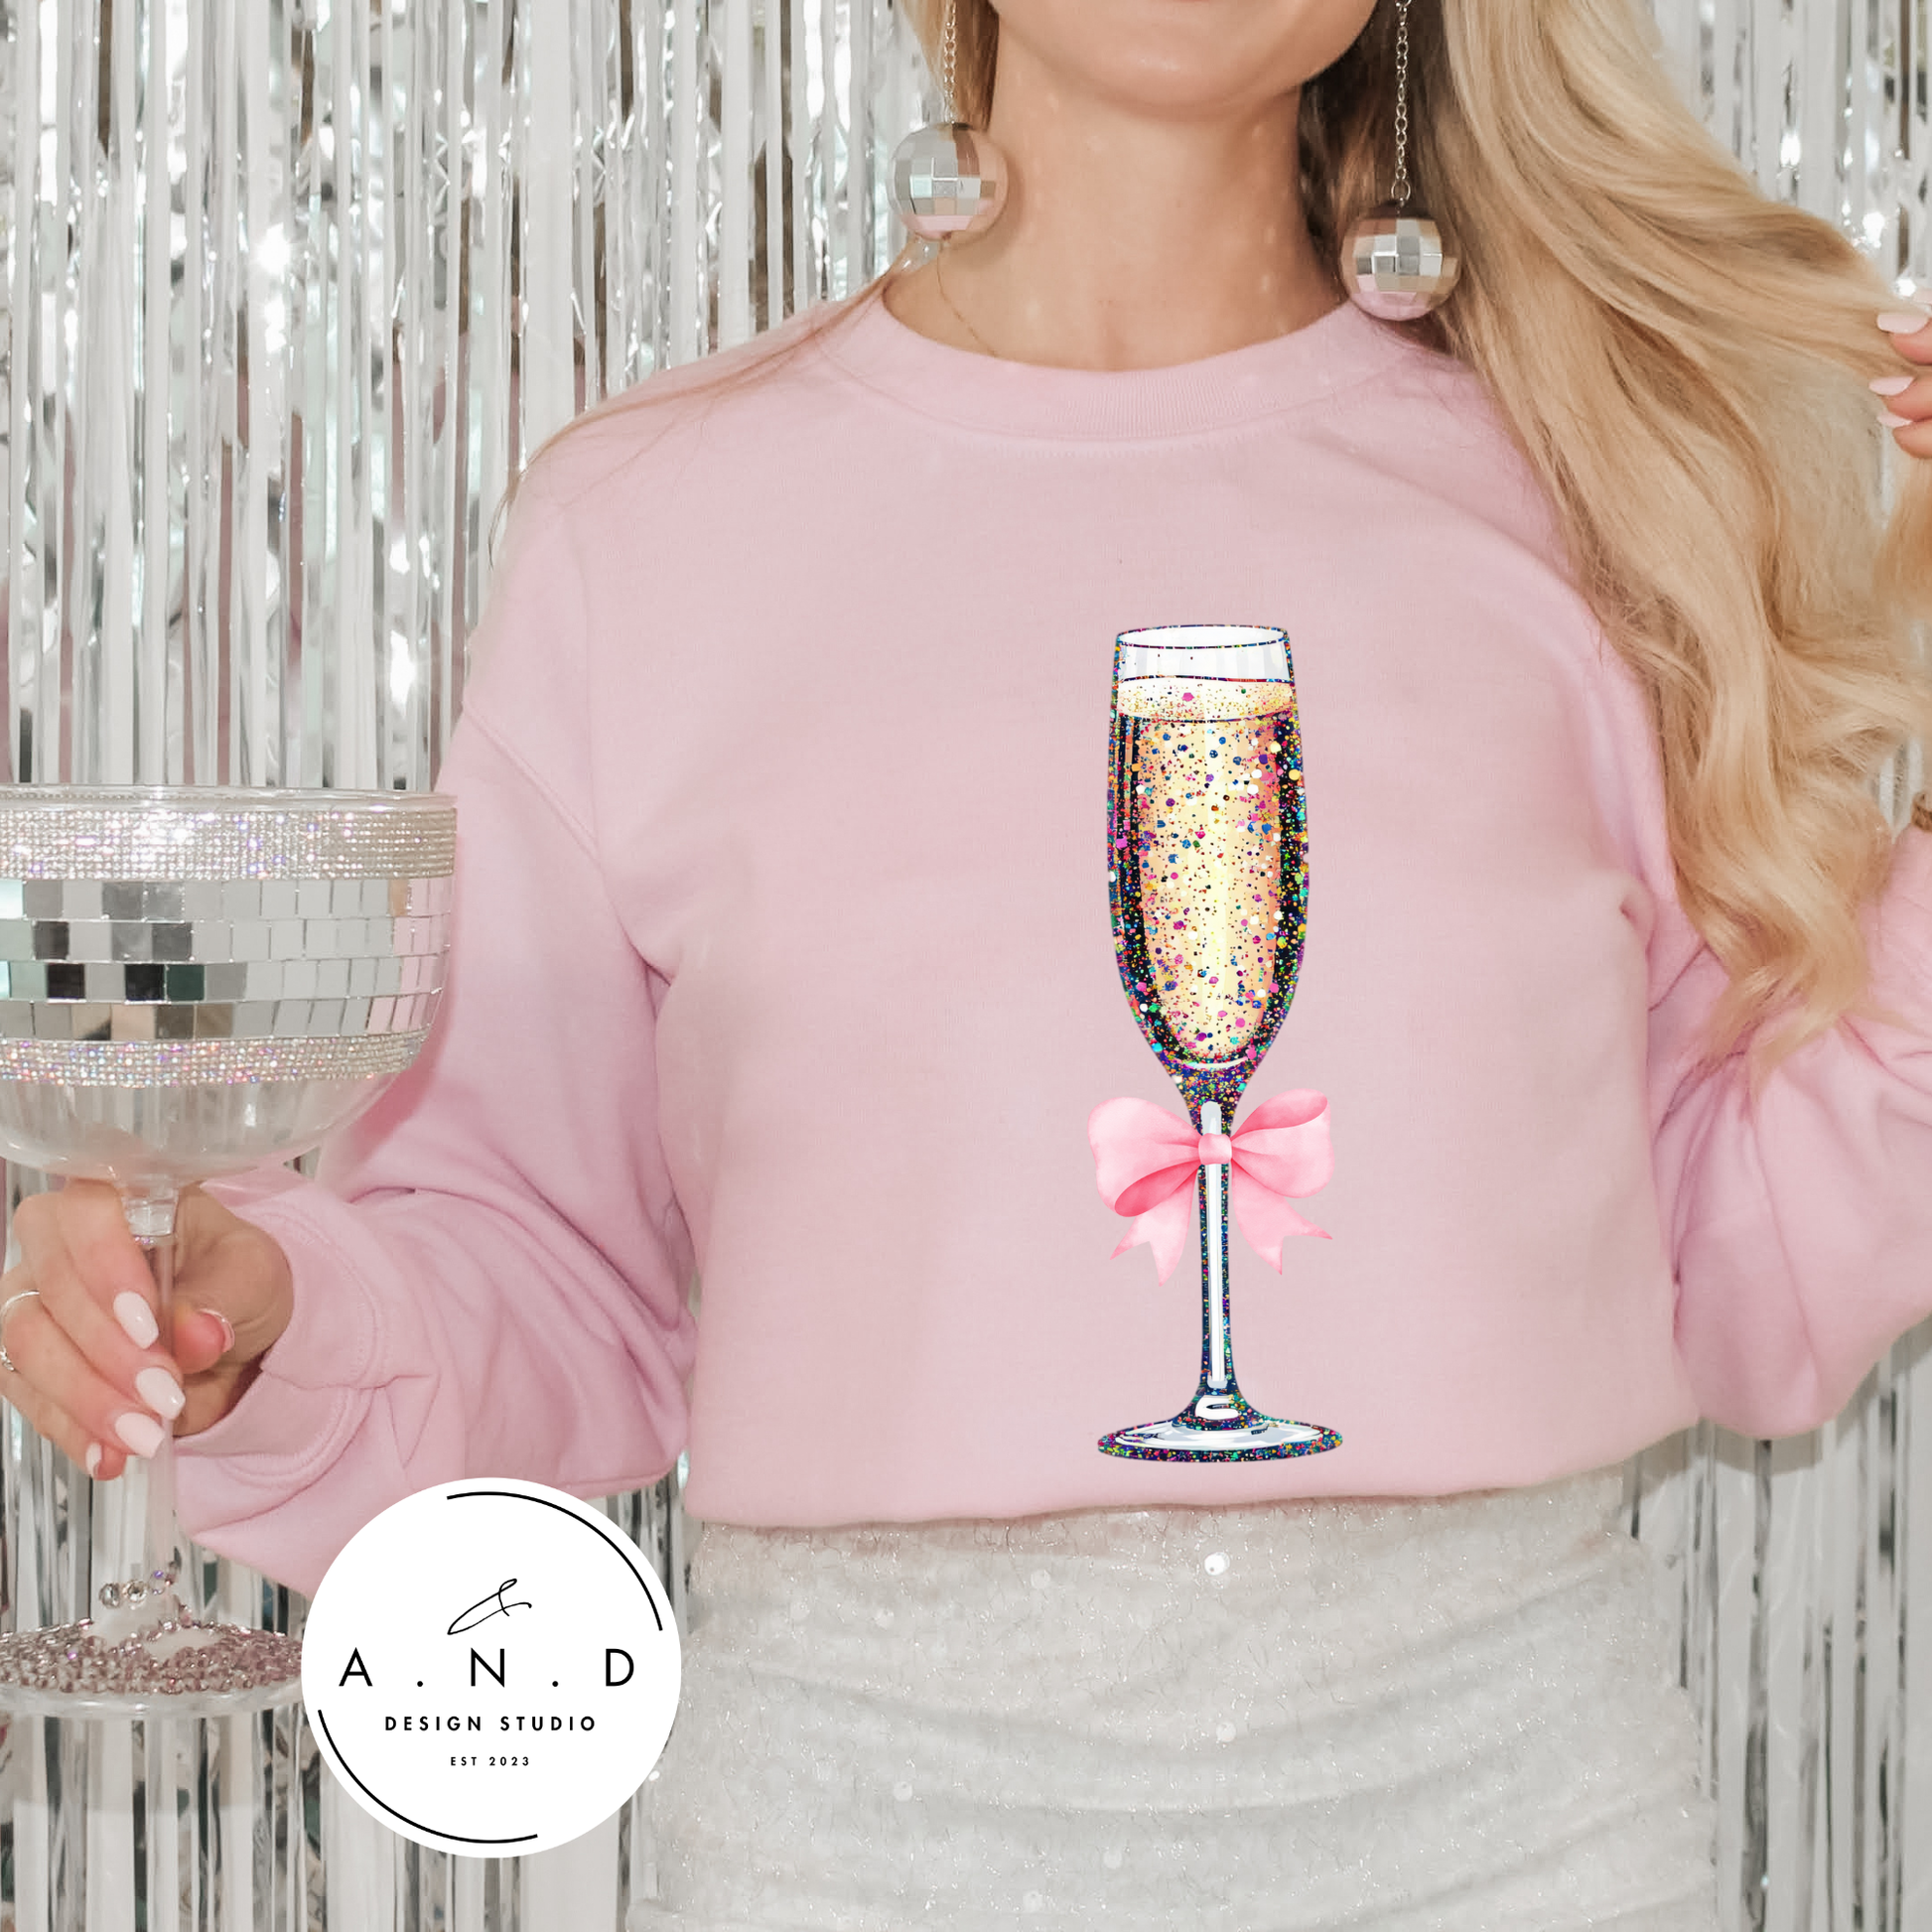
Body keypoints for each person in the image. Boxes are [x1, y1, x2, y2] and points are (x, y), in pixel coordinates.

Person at [5, 0, 1932, 1921]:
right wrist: (260, 1315)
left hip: (1527, 1847)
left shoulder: (1608, 498)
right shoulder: (648, 532)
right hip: (850, 1857)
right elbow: (534, 1263)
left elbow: (1750, 1248)